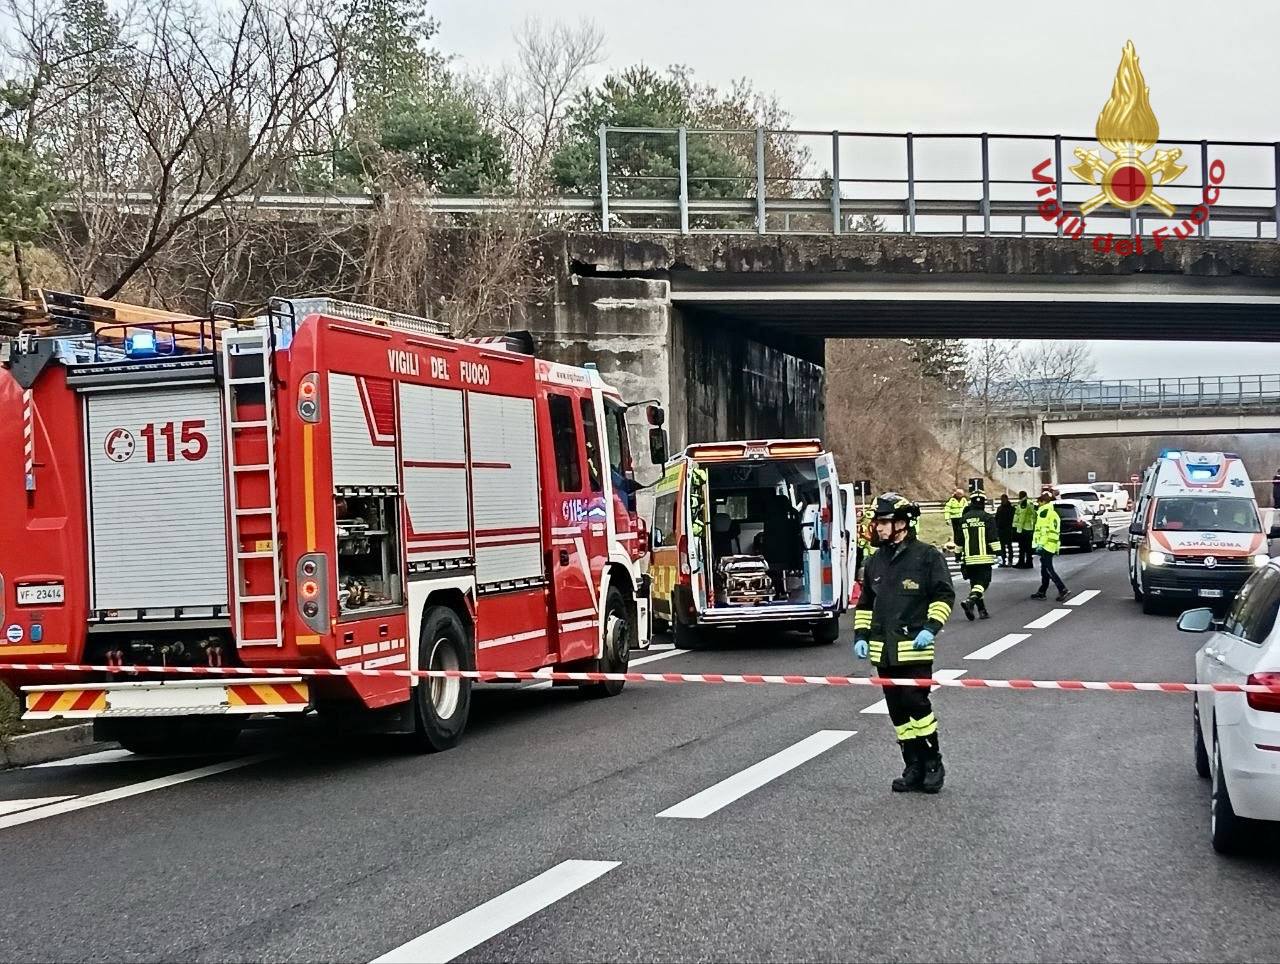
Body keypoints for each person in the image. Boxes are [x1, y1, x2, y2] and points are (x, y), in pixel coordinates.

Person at [852, 492, 955, 794]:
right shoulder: (875, 561)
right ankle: (912, 765)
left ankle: (932, 762)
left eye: (884, 522)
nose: (878, 528)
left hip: (914, 647)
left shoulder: (927, 556)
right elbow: (866, 604)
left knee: (916, 703)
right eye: (877, 522)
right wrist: (861, 636)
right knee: (897, 710)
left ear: (903, 524)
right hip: (883, 650)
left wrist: (931, 628)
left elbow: (943, 594)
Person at [959, 492, 1001, 620]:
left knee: (975, 584)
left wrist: (957, 554)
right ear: (983, 502)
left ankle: (982, 610)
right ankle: (970, 601)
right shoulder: (987, 517)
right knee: (984, 583)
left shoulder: (964, 518)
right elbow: (992, 537)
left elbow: (959, 539)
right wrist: (999, 552)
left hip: (968, 558)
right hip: (984, 558)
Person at [1030, 488, 1070, 602]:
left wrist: (1040, 544)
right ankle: (1042, 591)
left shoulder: (1044, 512)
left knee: (1048, 569)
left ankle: (1062, 589)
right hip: (1051, 544)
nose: (1037, 504)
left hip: (1046, 545)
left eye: (1039, 502)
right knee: (1044, 569)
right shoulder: (1053, 513)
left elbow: (1044, 530)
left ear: (1043, 502)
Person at [1013, 490, 1037, 568]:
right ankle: (1025, 562)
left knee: (1024, 548)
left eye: (1019, 495)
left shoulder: (1025, 503)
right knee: (1026, 547)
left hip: (1024, 529)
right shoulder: (1028, 502)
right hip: (1027, 528)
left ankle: (1024, 562)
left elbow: (1022, 517)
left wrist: (1018, 529)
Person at [943, 488, 966, 562]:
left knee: (964, 535)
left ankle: (963, 553)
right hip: (955, 519)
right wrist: (947, 519)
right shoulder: (951, 500)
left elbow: (966, 508)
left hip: (962, 519)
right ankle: (957, 555)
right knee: (957, 536)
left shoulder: (963, 500)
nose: (961, 496)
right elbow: (947, 509)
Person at [995, 493, 1016, 567]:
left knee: (1009, 546)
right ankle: (1003, 560)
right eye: (1002, 499)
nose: (1002, 501)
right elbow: (996, 518)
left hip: (1008, 529)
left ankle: (1010, 560)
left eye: (1003, 499)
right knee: (1002, 546)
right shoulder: (999, 508)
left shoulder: (1011, 508)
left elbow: (1013, 519)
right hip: (1001, 529)